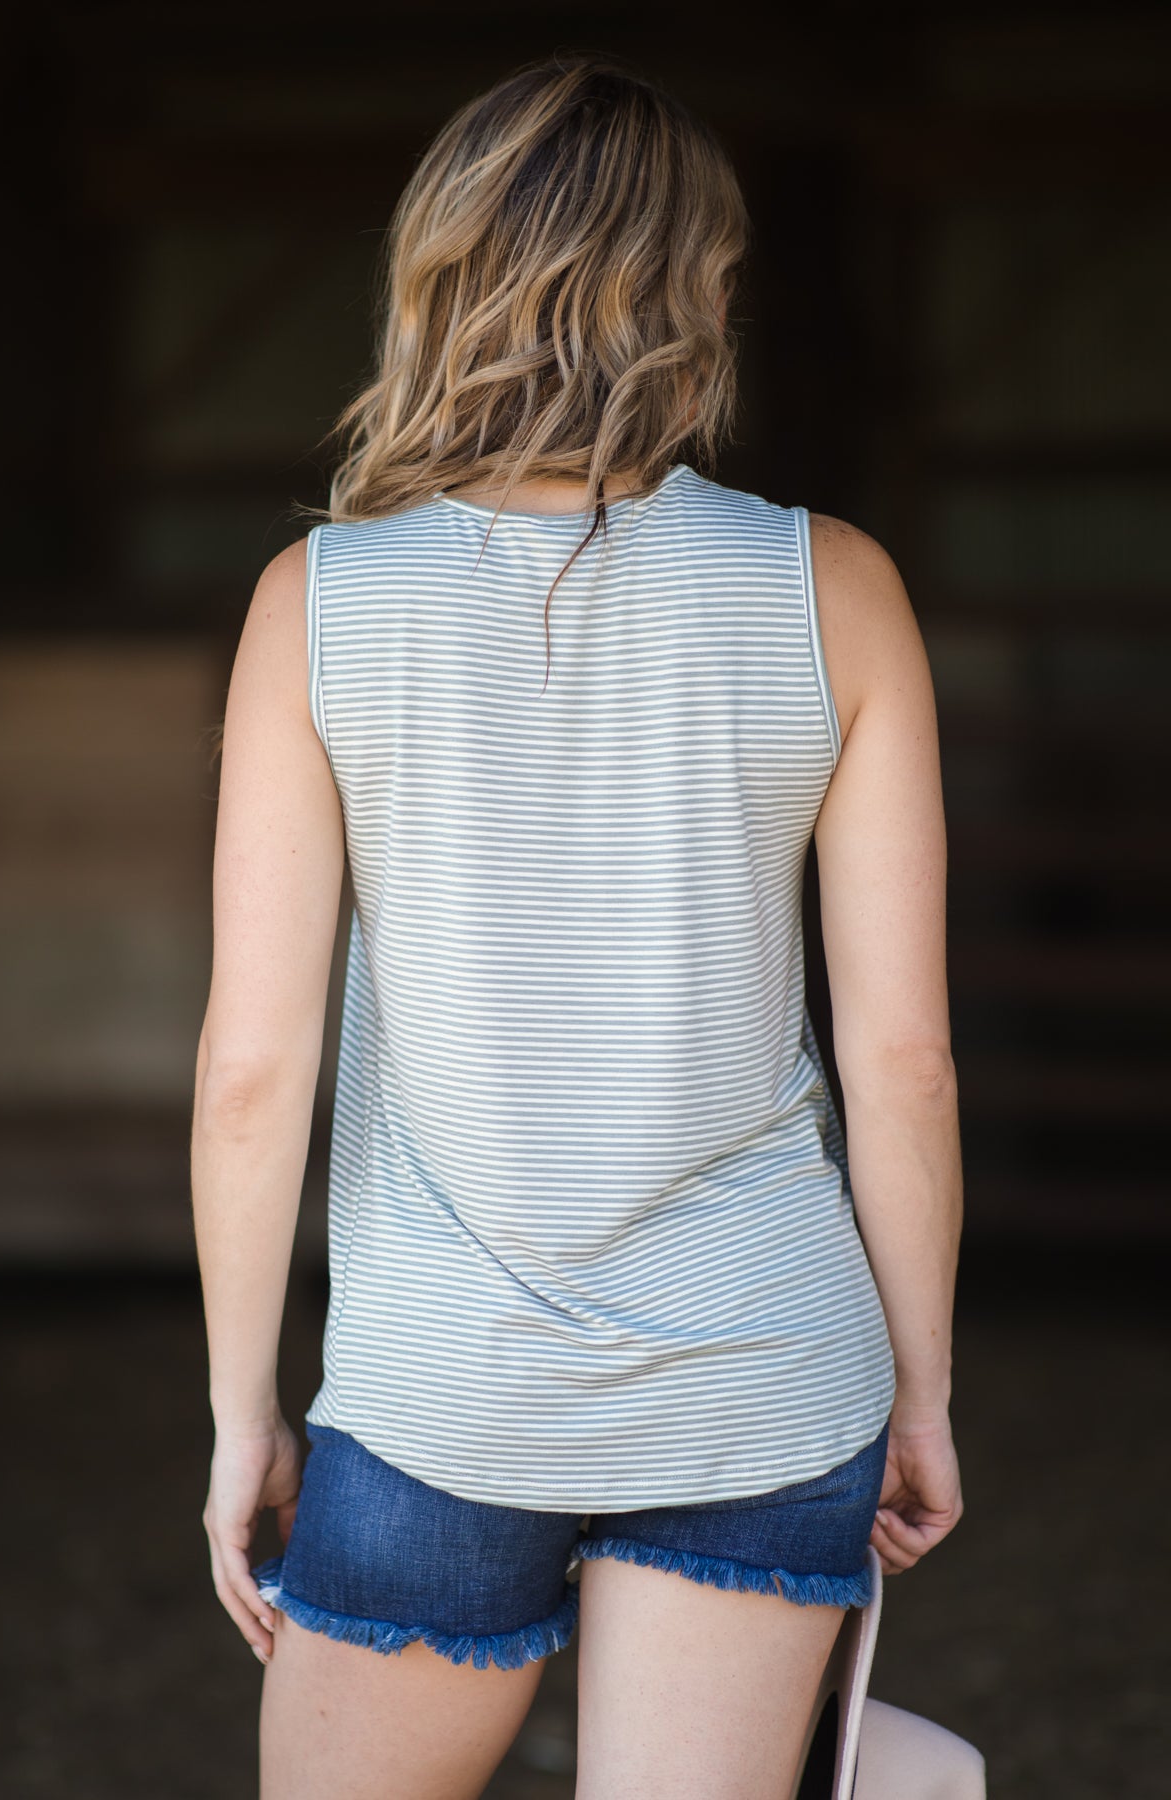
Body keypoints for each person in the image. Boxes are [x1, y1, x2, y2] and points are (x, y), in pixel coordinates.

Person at [190, 52, 964, 1800]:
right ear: (698, 289)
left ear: (444, 273)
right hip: (768, 1381)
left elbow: (254, 1067)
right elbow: (904, 1057)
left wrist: (245, 1413)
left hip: (439, 1394)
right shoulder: (834, 587)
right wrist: (919, 1391)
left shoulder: (318, 603)